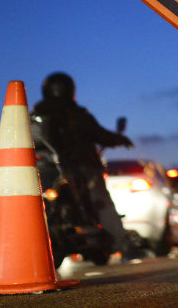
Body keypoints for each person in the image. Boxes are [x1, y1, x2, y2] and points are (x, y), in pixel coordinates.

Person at [33, 71, 135, 257]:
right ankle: (124, 245)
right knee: (102, 202)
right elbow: (99, 134)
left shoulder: (36, 117)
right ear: (71, 90)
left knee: (36, 201)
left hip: (48, 169)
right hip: (80, 166)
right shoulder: (77, 114)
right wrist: (120, 139)